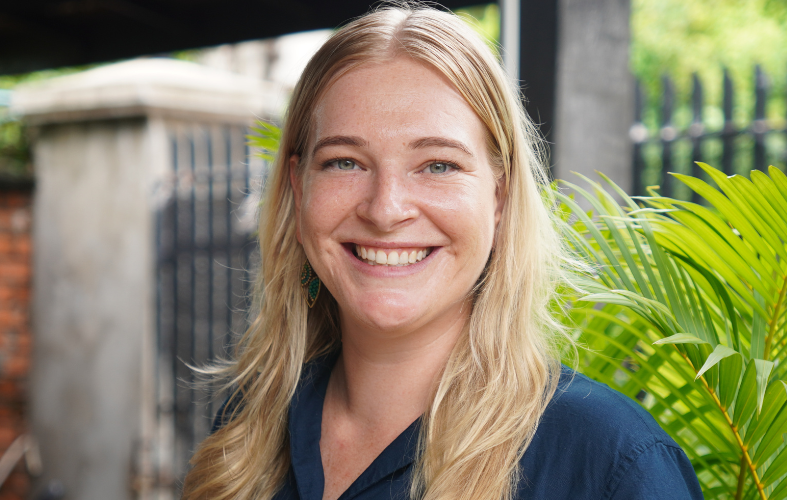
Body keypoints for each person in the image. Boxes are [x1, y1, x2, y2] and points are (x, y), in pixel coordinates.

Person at [182, 4, 703, 499]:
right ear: (298, 190)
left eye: (438, 166)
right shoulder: (247, 429)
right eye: (345, 162)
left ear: (500, 196)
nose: (385, 210)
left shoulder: (611, 464)